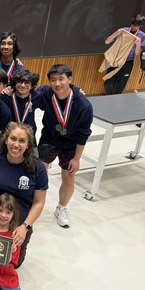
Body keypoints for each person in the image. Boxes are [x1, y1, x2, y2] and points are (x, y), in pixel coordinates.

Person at [0, 122, 48, 267]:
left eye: (22, 141)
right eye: (13, 139)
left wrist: (25, 226)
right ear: (6, 140)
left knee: (13, 264)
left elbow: (39, 202)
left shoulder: (38, 169)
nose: (16, 144)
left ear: (28, 145)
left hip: (18, 223)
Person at [37, 64, 93, 228]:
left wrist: (77, 158)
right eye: (53, 80)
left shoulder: (83, 105)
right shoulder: (46, 93)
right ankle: (33, 204)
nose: (57, 84)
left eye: (61, 79)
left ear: (70, 79)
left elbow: (84, 134)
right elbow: (28, 93)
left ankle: (61, 208)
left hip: (71, 144)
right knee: (39, 171)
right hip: (49, 138)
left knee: (68, 176)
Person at [103, 14, 145, 95]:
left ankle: (117, 102)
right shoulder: (123, 31)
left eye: (136, 25)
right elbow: (107, 42)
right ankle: (109, 98)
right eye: (132, 24)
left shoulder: (142, 35)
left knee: (121, 85)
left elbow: (137, 54)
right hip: (116, 60)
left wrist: (138, 44)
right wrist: (116, 33)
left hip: (128, 62)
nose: (133, 27)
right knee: (108, 83)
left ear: (140, 26)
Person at [0, 69, 42, 138]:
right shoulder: (5, 96)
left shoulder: (36, 96)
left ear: (32, 86)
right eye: (20, 82)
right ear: (15, 83)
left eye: (27, 82)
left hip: (29, 135)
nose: (23, 85)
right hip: (7, 135)